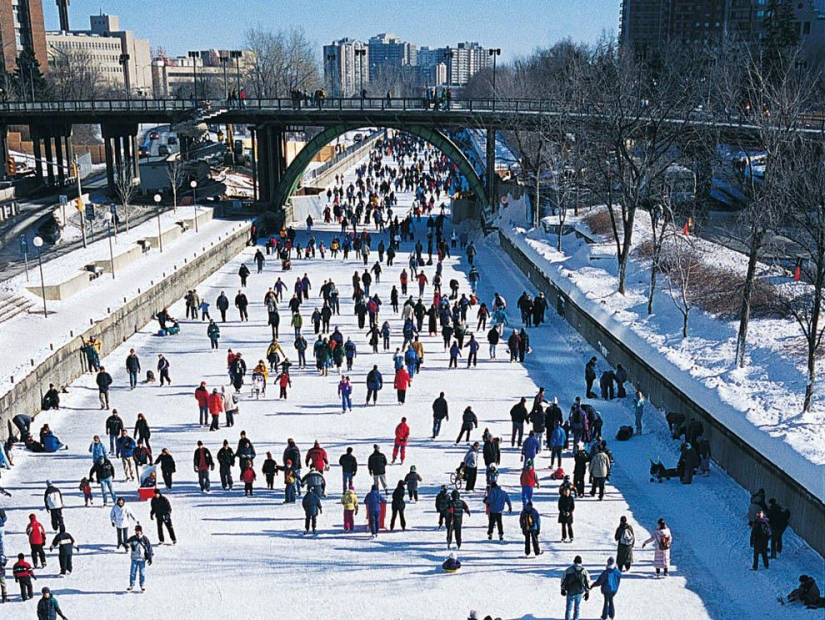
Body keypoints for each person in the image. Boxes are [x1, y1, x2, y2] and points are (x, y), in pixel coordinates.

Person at [561, 555, 591, 620]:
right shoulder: (584, 571)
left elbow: (563, 579)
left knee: (569, 608)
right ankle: (576, 619)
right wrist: (587, 592)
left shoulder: (568, 570)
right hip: (579, 591)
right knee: (577, 607)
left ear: (574, 561)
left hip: (570, 591)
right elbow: (588, 582)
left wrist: (562, 589)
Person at [126, 525, 153, 592]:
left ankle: (142, 585)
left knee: (142, 573)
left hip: (142, 559)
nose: (137, 532)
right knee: (132, 573)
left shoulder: (145, 539)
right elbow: (127, 544)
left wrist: (150, 557)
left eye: (138, 531)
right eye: (136, 531)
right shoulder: (132, 538)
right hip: (134, 558)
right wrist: (127, 545)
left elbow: (149, 548)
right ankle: (131, 585)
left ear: (141, 531)